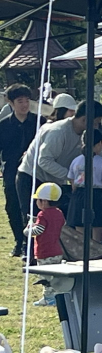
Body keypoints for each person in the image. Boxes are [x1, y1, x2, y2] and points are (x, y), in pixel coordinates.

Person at [16, 100, 102, 220]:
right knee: (36, 222)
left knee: (56, 221)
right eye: (96, 123)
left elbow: (100, 156)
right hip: (32, 179)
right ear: (85, 120)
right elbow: (44, 161)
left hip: (53, 181)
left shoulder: (85, 135)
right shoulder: (58, 131)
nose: (97, 127)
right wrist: (71, 176)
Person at [0, 84, 37, 257]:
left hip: (34, 172)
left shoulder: (39, 122)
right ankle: (19, 241)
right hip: (11, 171)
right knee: (12, 206)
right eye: (20, 101)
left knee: (31, 207)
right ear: (11, 103)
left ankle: (31, 244)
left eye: (27, 100)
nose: (24, 105)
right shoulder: (4, 125)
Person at [68, 129, 102, 244]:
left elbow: (72, 181)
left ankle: (81, 251)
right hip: (96, 196)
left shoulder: (76, 161)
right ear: (99, 143)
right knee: (97, 232)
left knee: (80, 233)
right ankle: (96, 252)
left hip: (79, 195)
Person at [28, 182, 66, 305]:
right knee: (56, 276)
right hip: (56, 250)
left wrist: (28, 230)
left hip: (44, 251)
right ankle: (58, 296)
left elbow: (39, 230)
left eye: (38, 200)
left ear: (44, 201)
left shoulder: (42, 214)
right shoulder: (59, 212)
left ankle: (49, 298)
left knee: (45, 278)